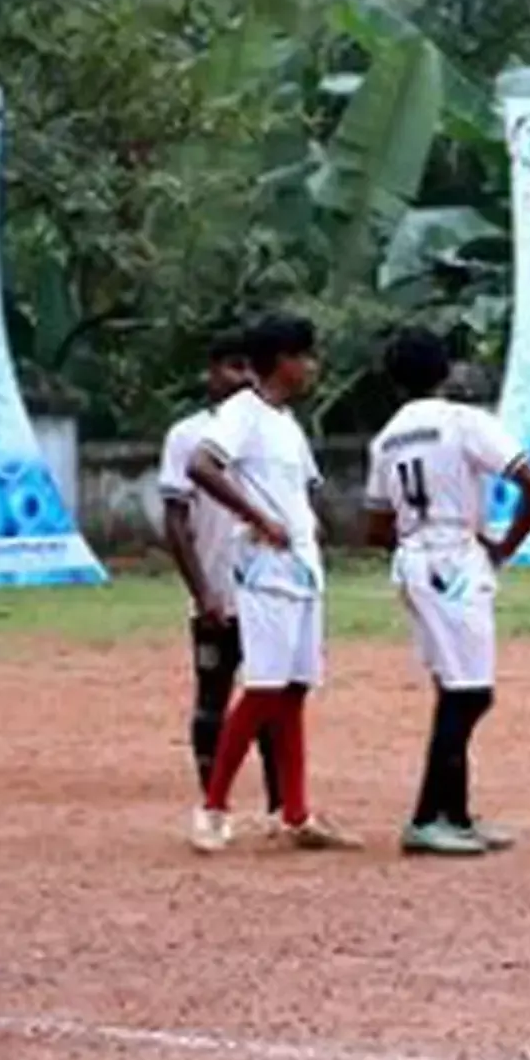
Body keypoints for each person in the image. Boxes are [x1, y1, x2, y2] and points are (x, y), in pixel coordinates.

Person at [363, 327, 530, 857]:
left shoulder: (387, 438)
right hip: (454, 561)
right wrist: (503, 545)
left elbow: (376, 529)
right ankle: (426, 818)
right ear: (444, 371)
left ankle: (457, 815)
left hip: (413, 559)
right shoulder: (464, 422)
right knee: (471, 692)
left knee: (455, 686)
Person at [185, 313, 359, 853]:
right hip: (265, 568)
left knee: (294, 688)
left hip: (301, 566)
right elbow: (202, 465)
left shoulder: (285, 422)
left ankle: (295, 810)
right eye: (304, 356)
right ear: (282, 360)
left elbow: (302, 487)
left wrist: (306, 526)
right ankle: (213, 808)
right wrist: (258, 517)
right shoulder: (244, 412)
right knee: (263, 686)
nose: (311, 367)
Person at [156, 327, 280, 821]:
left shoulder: (274, 429)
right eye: (233, 366)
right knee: (212, 698)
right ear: (211, 372)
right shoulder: (187, 435)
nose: (244, 378)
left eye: (251, 366)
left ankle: (280, 803)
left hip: (270, 593)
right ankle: (214, 801)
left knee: (273, 695)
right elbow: (175, 518)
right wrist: (201, 590)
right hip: (217, 593)